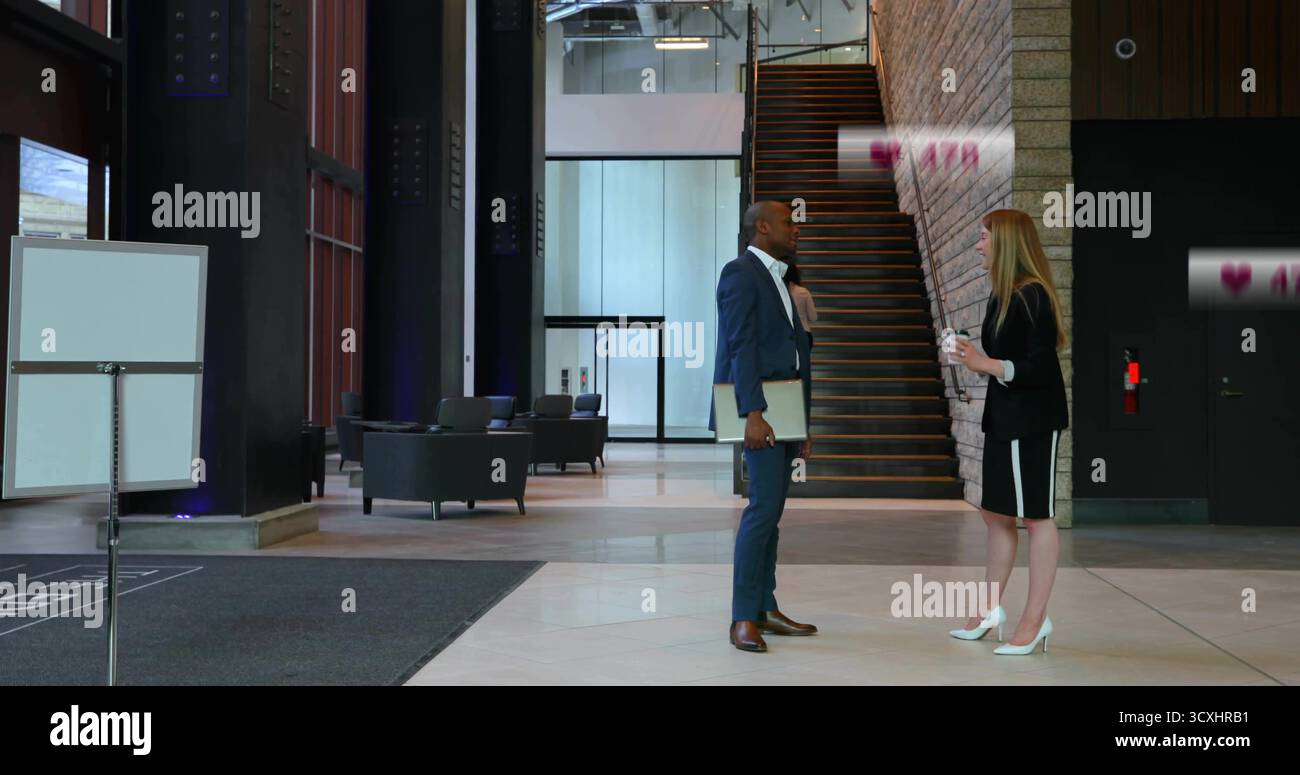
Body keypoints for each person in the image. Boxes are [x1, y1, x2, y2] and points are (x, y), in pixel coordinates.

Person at [948, 208, 1069, 655]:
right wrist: (973, 355)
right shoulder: (1001, 295)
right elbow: (1006, 360)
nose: (978, 245)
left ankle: (1035, 621)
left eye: (984, 237)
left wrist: (987, 363)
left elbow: (1040, 365)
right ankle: (987, 611)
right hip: (1005, 418)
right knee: (996, 514)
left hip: (1033, 422)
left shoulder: (1031, 294)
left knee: (1037, 517)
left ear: (1006, 244)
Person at [709, 201, 816, 653]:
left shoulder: (781, 277)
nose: (796, 229)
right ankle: (741, 617)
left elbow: (795, 351)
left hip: (786, 411)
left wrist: (804, 423)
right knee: (761, 511)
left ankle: (765, 607)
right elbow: (740, 346)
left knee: (771, 514)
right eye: (788, 223)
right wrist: (751, 412)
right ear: (762, 227)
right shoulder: (740, 272)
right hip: (763, 412)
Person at [780, 256, 818, 349]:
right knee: (803, 363)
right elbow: (813, 317)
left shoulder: (780, 292)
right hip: (804, 333)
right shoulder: (803, 292)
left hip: (785, 335)